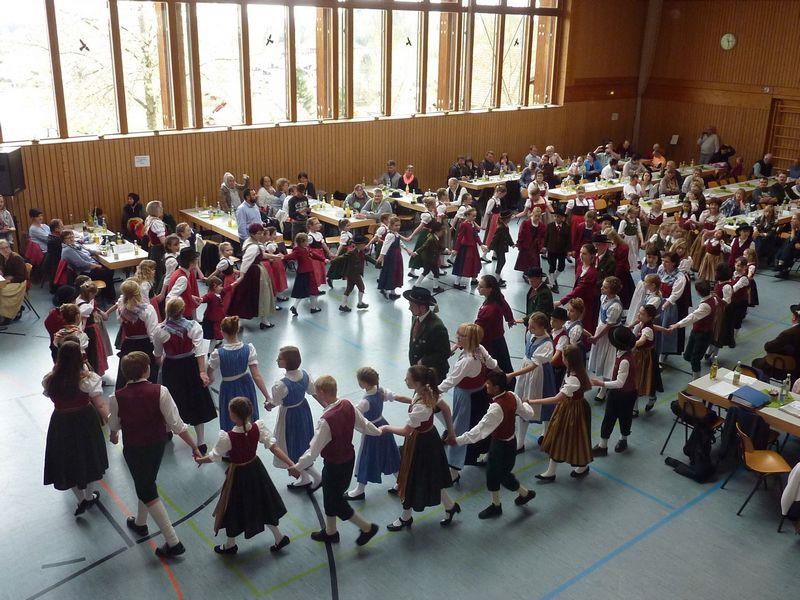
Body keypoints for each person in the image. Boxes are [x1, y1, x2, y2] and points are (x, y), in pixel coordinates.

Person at [109, 351, 200, 558]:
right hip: (157, 445)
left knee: (146, 488)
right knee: (146, 482)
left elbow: (114, 424)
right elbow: (176, 424)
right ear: (147, 370)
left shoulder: (116, 397)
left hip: (134, 447)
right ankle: (141, 523)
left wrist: (114, 435)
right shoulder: (161, 391)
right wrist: (193, 446)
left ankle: (173, 541)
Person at [195, 397, 296, 555]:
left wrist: (200, 460)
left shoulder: (228, 437)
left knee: (233, 507)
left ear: (233, 416)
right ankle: (279, 537)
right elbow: (274, 447)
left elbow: (214, 456)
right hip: (256, 470)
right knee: (263, 502)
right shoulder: (257, 427)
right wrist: (291, 464)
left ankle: (230, 545)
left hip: (238, 475)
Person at [292, 376, 383, 546]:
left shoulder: (326, 420)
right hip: (348, 459)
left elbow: (313, 451)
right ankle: (331, 531)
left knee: (336, 502)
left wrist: (297, 467)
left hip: (334, 465)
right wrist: (378, 432)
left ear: (322, 392)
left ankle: (367, 528)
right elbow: (363, 424)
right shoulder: (347, 404)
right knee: (330, 496)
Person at [448, 370, 537, 519]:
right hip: (510, 443)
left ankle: (518, 496)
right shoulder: (512, 396)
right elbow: (528, 414)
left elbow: (479, 431)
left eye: (488, 384)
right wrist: (527, 404)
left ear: (496, 388)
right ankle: (513, 498)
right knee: (496, 474)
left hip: (500, 446)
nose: (486, 385)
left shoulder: (496, 408)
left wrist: (457, 440)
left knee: (499, 475)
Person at [381, 366, 459, 530]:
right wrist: (393, 397)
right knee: (431, 476)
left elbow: (406, 431)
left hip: (422, 444)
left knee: (411, 479)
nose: (405, 380)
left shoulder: (421, 407)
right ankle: (450, 506)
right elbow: (445, 408)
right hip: (427, 438)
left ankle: (406, 517)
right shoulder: (427, 391)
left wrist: (386, 428)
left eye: (408, 379)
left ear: (417, 383)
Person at [43, 341, 108, 516]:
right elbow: (100, 403)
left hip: (61, 422)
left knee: (66, 460)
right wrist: (111, 421)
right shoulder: (88, 379)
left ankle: (81, 500)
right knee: (90, 456)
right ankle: (89, 495)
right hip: (85, 420)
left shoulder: (50, 379)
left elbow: (52, 396)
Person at [153, 297, 216, 453]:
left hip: (171, 368)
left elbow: (158, 355)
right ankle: (201, 441)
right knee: (196, 401)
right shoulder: (193, 326)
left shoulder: (160, 330)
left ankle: (168, 430)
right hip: (190, 366)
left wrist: (164, 366)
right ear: (182, 311)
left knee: (170, 400)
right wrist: (202, 372)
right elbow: (200, 352)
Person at [438, 323, 497, 479]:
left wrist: (432, 392)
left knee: (459, 430)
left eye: (462, 335)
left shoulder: (468, 360)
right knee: (478, 425)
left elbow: (451, 380)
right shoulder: (479, 349)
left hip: (467, 399)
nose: (457, 336)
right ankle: (486, 453)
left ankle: (453, 470)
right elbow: (492, 364)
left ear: (470, 339)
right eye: (458, 333)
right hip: (479, 395)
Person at [530, 345, 593, 482]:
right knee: (572, 437)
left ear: (568, 360)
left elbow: (556, 398)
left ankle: (573, 468)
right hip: (573, 407)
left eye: (563, 356)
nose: (562, 358)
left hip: (572, 411)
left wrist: (532, 401)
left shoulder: (574, 378)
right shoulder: (576, 371)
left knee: (561, 437)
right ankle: (554, 471)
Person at [207, 316, 271, 432]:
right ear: (237, 330)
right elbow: (256, 375)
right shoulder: (248, 349)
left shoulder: (218, 353)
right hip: (246, 385)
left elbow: (210, 371)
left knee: (231, 416)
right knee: (247, 414)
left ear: (222, 332)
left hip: (228, 388)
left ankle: (232, 438)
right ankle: (250, 435)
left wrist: (210, 377)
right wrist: (267, 396)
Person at [346, 367, 401, 500]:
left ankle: (360, 490)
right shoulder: (380, 391)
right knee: (389, 455)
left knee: (366, 458)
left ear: (364, 383)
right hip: (384, 427)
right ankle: (401, 482)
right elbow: (395, 396)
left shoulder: (365, 402)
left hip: (372, 431)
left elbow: (354, 415)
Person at [510, 312, 556, 452]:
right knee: (523, 404)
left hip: (539, 375)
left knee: (544, 405)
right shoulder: (530, 335)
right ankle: (520, 442)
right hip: (527, 372)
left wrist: (512, 375)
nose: (529, 329)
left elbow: (534, 366)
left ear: (543, 327)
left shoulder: (547, 344)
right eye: (529, 325)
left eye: (533, 327)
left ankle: (545, 434)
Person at [655, 280, 718, 379]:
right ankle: (695, 371)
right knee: (688, 355)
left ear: (698, 292)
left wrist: (677, 325)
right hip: (697, 331)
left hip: (703, 334)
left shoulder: (705, 306)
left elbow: (692, 317)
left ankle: (696, 379)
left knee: (695, 359)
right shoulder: (712, 299)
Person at [590, 326, 638, 455]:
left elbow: (620, 383)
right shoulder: (621, 354)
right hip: (617, 393)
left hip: (626, 394)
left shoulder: (625, 361)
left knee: (625, 418)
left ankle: (623, 439)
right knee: (608, 417)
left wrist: (600, 383)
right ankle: (603, 445)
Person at [114, 279, 158, 390]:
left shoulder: (121, 308)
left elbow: (119, 321)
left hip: (128, 345)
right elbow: (153, 333)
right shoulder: (147, 309)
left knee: (127, 373)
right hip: (145, 346)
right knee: (148, 374)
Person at [405, 286, 451, 384]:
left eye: (412, 305)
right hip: (419, 371)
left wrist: (423, 361)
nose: (409, 308)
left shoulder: (436, 327)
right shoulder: (416, 317)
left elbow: (445, 353)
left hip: (432, 374)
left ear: (422, 307)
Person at [555, 243, 600, 335]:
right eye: (580, 252)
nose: (581, 255)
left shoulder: (592, 273)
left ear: (591, 256)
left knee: (585, 324)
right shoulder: (580, 263)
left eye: (584, 253)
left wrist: (561, 301)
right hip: (578, 301)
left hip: (587, 303)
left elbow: (580, 288)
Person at [59, 230, 116, 302]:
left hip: (91, 265)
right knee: (106, 272)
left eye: (72, 236)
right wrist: (96, 266)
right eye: (68, 238)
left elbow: (88, 250)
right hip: (85, 271)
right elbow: (81, 263)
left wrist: (99, 252)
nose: (71, 239)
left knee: (109, 269)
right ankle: (110, 297)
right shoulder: (67, 250)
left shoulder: (75, 244)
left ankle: (106, 292)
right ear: (64, 240)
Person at [475, 275, 516, 374]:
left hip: (490, 342)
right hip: (499, 338)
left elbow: (477, 328)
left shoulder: (489, 310)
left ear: (490, 289)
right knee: (505, 364)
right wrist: (509, 319)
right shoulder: (497, 297)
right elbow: (505, 306)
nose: (478, 288)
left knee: (493, 367)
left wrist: (464, 341)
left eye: (481, 287)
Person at [752, 304, 800, 380]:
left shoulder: (789, 333)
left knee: (757, 363)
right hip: (796, 370)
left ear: (794, 317)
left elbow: (769, 347)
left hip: (787, 369)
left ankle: (763, 383)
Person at [283, 232, 326, 315]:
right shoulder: (298, 250)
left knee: (306, 291)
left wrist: (323, 259)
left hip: (307, 272)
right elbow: (291, 256)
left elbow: (313, 255)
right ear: (302, 242)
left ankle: (296, 307)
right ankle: (313, 308)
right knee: (312, 290)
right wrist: (283, 257)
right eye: (306, 241)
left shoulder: (306, 248)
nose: (308, 243)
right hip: (306, 273)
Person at [631, 304, 662, 414]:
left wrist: (630, 345)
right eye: (639, 312)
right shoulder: (644, 323)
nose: (638, 315)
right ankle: (635, 407)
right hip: (639, 355)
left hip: (646, 358)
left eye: (642, 314)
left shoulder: (647, 329)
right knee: (636, 380)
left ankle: (651, 398)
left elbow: (642, 340)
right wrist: (665, 330)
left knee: (644, 380)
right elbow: (654, 327)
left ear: (649, 317)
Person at [376, 216, 412, 300]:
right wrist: (381, 256)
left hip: (397, 255)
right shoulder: (390, 235)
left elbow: (400, 242)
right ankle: (390, 291)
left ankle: (391, 291)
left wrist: (407, 250)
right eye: (396, 225)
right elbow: (385, 246)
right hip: (392, 256)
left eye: (399, 225)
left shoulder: (395, 234)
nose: (398, 227)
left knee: (395, 272)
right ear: (391, 225)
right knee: (391, 272)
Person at [333, 235, 370, 312]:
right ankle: (360, 303)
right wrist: (332, 260)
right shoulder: (352, 252)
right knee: (361, 287)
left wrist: (375, 262)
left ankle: (343, 305)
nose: (365, 246)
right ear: (359, 245)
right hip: (354, 273)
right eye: (364, 244)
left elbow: (367, 257)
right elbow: (342, 257)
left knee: (349, 288)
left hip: (352, 273)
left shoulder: (361, 251)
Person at [451, 208, 486, 289]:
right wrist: (456, 249)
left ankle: (474, 280)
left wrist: (481, 244)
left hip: (473, 247)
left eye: (475, 216)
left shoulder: (472, 223)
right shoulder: (464, 224)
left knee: (474, 263)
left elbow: (475, 235)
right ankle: (456, 283)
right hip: (465, 248)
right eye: (473, 216)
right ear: (467, 215)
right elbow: (459, 237)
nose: (474, 217)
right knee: (462, 264)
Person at [0, 239, 28, 326]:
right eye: (2, 248)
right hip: (8, 279)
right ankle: (15, 308)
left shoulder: (16, 258)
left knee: (1, 291)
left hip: (19, 282)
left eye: (7, 247)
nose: (5, 250)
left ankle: (8, 315)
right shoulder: (2, 257)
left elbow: (22, 277)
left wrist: (10, 280)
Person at [544, 207, 570, 292]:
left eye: (558, 217)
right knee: (552, 266)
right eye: (555, 216)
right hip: (551, 250)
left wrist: (568, 250)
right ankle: (551, 283)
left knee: (561, 267)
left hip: (562, 250)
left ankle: (551, 280)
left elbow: (568, 239)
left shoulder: (566, 227)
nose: (556, 218)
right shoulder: (550, 226)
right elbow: (546, 237)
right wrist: (544, 247)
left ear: (562, 218)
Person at [143, 200, 167, 288]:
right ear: (156, 209)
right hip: (159, 251)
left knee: (155, 273)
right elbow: (163, 241)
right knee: (160, 273)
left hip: (153, 249)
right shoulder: (157, 222)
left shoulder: (149, 218)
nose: (162, 209)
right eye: (161, 207)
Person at [775, 213, 800, 278]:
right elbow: (793, 240)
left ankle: (781, 265)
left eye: (794, 219)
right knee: (787, 243)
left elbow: (794, 240)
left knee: (790, 246)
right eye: (792, 219)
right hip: (794, 248)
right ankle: (782, 266)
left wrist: (793, 229)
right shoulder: (797, 229)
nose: (791, 220)